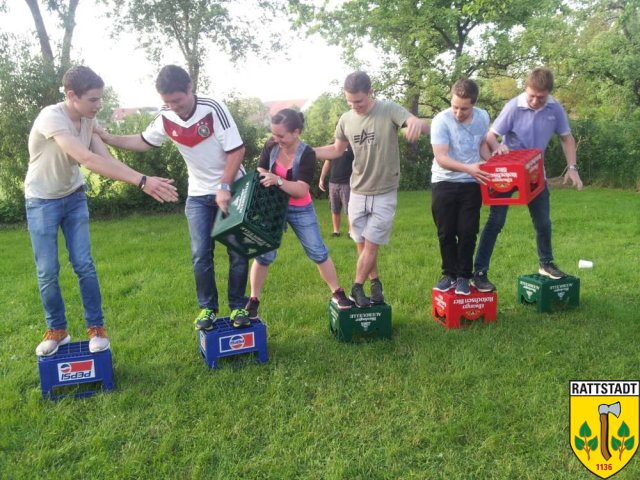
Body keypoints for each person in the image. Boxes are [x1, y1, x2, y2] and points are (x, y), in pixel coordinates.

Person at [26, 65, 179, 356]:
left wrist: (142, 181)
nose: (99, 105)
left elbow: (106, 160)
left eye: (100, 98)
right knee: (47, 271)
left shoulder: (88, 120)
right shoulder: (52, 117)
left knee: (83, 264)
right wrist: (142, 180)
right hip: (41, 201)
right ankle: (57, 330)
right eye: (93, 99)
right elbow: (85, 158)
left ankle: (96, 328)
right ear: (72, 95)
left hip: (74, 197)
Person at [98, 65, 249, 330]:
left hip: (233, 188)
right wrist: (108, 138)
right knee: (200, 254)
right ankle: (208, 309)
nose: (173, 107)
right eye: (167, 102)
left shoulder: (212, 108)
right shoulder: (166, 114)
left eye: (177, 100)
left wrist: (224, 186)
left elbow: (237, 151)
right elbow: (143, 141)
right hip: (198, 194)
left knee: (237, 251)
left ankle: (238, 305)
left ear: (190, 88)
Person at [314, 71, 430, 308]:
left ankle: (357, 286)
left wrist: (416, 124)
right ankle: (375, 284)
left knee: (371, 243)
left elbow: (415, 123)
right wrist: (306, 152)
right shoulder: (346, 119)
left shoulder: (388, 109)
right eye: (349, 101)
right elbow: (336, 150)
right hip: (357, 190)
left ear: (370, 92)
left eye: (358, 101)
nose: (354, 106)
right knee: (361, 242)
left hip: (384, 191)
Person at [232, 109, 353, 326]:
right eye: (274, 134)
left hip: (300, 208)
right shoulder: (271, 145)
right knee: (264, 255)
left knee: (317, 251)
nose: (276, 139)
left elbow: (300, 189)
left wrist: (277, 180)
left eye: (281, 135)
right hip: (272, 207)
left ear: (296, 132)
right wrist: (264, 175)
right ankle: (253, 300)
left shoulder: (307, 154)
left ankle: (338, 292)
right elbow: (260, 169)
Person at [472, 67, 583, 292]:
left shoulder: (555, 108)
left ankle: (546, 263)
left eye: (541, 97)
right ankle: (480, 272)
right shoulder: (514, 106)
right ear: (526, 88)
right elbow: (491, 135)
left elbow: (567, 138)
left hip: (534, 172)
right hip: (508, 172)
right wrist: (497, 146)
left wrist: (572, 168)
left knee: (543, 222)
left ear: (549, 93)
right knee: (495, 221)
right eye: (532, 95)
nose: (535, 101)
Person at [430, 79, 498, 295]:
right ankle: (448, 274)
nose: (458, 113)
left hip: (471, 182)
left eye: (464, 109)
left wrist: (491, 163)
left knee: (468, 232)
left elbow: (481, 145)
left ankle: (463, 277)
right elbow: (441, 157)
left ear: (474, 104)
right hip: (444, 182)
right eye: (455, 107)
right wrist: (469, 168)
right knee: (446, 232)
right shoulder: (441, 121)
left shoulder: (483, 116)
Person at [318, 144, 353, 237]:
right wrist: (321, 178)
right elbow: (327, 163)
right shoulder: (333, 146)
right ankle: (336, 231)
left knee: (349, 209)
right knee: (334, 208)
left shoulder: (353, 145)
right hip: (333, 183)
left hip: (347, 183)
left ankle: (351, 232)